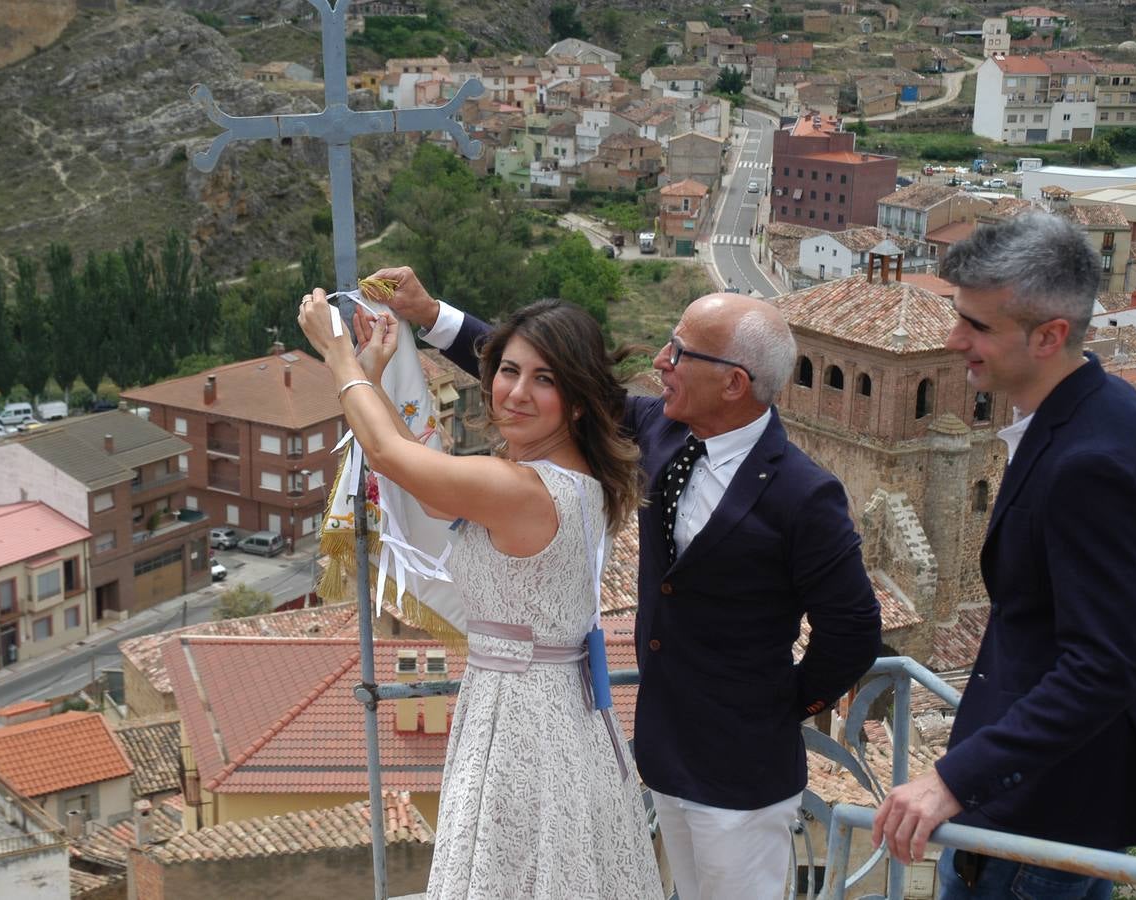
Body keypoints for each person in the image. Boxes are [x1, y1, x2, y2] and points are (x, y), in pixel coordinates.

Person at [369, 268, 882, 900]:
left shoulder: (805, 494)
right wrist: (430, 315)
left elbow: (854, 629)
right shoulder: (661, 429)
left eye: (681, 352)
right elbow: (557, 374)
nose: (662, 361)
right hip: (662, 752)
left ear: (733, 383)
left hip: (745, 770)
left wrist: (780, 707)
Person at [297, 289, 662, 899]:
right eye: (509, 371)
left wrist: (337, 355)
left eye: (543, 379)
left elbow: (390, 455)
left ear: (576, 402)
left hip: (522, 717)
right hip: (552, 707)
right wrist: (373, 373)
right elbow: (423, 481)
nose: (516, 392)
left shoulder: (521, 488)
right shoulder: (574, 479)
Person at [872, 213, 1136, 897]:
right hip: (1049, 801)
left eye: (977, 326)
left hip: (1038, 814)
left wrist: (952, 778)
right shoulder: (1100, 404)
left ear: (1049, 336)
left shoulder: (1088, 461)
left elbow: (1103, 666)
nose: (954, 341)